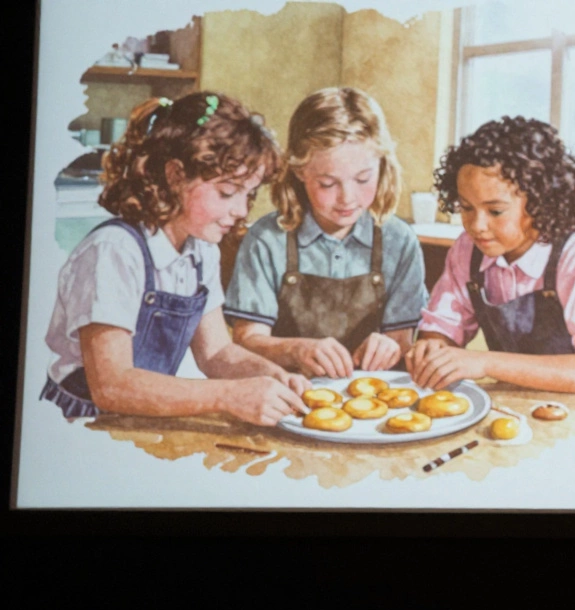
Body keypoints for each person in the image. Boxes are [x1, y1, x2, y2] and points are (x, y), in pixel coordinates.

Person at [41, 92, 309, 424]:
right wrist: (228, 396)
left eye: (248, 194)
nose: (241, 211)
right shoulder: (113, 251)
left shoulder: (201, 251)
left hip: (143, 420)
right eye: (227, 192)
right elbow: (112, 386)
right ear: (175, 175)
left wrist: (270, 376)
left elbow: (216, 353)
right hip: (84, 421)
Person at [226, 87, 426, 377]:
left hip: (371, 401)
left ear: (382, 166)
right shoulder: (266, 240)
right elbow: (246, 341)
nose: (347, 198)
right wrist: (295, 351)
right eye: (328, 183)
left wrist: (389, 347)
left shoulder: (399, 241)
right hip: (287, 392)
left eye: (363, 179)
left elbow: (401, 341)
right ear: (299, 172)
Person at [406, 116, 575, 393]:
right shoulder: (468, 250)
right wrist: (433, 348)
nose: (477, 226)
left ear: (541, 202)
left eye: (495, 211)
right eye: (466, 207)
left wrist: (485, 363)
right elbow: (440, 329)